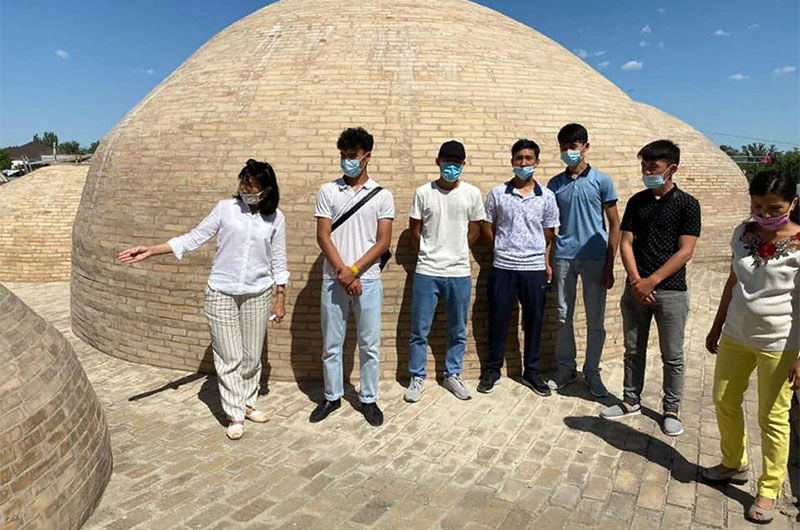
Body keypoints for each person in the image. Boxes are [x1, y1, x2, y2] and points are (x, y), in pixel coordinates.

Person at [118, 159, 288, 440]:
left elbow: (279, 260)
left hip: (258, 293)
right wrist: (153, 249)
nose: (245, 190)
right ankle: (235, 413)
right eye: (243, 184)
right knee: (229, 356)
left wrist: (280, 297)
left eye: (251, 186)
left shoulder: (275, 218)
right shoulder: (226, 209)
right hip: (221, 292)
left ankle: (248, 402)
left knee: (251, 356)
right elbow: (195, 237)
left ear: (266, 190)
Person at [702, 170, 800, 524]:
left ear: (793, 204)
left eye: (774, 208)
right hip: (736, 335)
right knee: (724, 399)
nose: (765, 214)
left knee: (772, 417)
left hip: (780, 342)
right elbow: (733, 281)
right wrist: (717, 325)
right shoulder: (742, 233)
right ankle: (734, 462)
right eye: (758, 206)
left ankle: (769, 488)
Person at [600, 140, 701, 438]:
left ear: (672, 168)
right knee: (633, 349)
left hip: (671, 291)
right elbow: (626, 242)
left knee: (672, 354)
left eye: (653, 167)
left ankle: (671, 409)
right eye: (644, 166)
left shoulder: (687, 204)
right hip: (636, 290)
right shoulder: (637, 202)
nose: (647, 172)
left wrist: (651, 281)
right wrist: (636, 280)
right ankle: (630, 400)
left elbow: (685, 251)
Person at [312, 127, 394, 426]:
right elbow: (323, 236)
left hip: (368, 279)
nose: (347, 161)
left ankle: (368, 398)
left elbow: (383, 241)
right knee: (332, 344)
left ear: (366, 157)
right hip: (334, 279)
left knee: (369, 344)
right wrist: (344, 273)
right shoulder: (328, 191)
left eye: (352, 156)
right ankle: (332, 396)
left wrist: (355, 271)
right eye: (343, 155)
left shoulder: (382, 195)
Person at [477, 139, 560, 396]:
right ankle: (492, 369)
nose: (523, 163)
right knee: (498, 318)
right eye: (519, 158)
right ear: (512, 161)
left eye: (528, 158)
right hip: (503, 265)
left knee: (534, 321)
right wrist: (501, 247)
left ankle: (532, 372)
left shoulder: (546, 196)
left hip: (533, 268)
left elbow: (549, 232)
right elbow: (486, 226)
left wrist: (544, 261)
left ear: (537, 162)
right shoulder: (497, 193)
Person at [405, 140, 485, 402]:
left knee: (458, 329)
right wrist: (428, 251)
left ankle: (452, 374)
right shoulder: (423, 193)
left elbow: (476, 229)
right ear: (438, 161)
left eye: (457, 162)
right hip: (427, 270)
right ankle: (417, 377)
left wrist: (458, 249)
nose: (452, 167)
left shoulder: (472, 193)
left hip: (459, 272)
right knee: (419, 330)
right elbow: (414, 228)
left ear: (464, 164)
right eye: (447, 161)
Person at [547, 123, 621, 397]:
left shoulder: (602, 181)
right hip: (564, 256)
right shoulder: (555, 184)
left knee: (595, 319)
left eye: (573, 147)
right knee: (563, 315)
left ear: (585, 147)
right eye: (564, 148)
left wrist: (610, 263)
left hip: (595, 257)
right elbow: (549, 226)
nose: (568, 152)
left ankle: (592, 372)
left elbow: (615, 223)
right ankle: (566, 369)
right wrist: (547, 260)